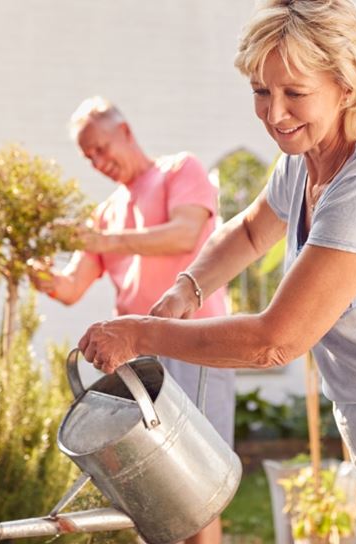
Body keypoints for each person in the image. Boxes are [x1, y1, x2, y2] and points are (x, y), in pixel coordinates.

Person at [75, 1, 356, 542]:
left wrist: (141, 334)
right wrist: (187, 288)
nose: (274, 113)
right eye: (262, 92)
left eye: (295, 92)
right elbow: (247, 232)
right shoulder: (302, 164)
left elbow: (276, 342)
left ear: (346, 86)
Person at [29, 96, 236, 544]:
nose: (99, 162)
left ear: (124, 131)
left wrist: (105, 239)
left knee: (198, 487)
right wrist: (26, 263)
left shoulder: (180, 171)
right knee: (149, 486)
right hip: (138, 361)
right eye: (89, 157)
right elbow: (69, 288)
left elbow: (184, 233)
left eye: (101, 148)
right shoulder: (105, 213)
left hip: (196, 344)